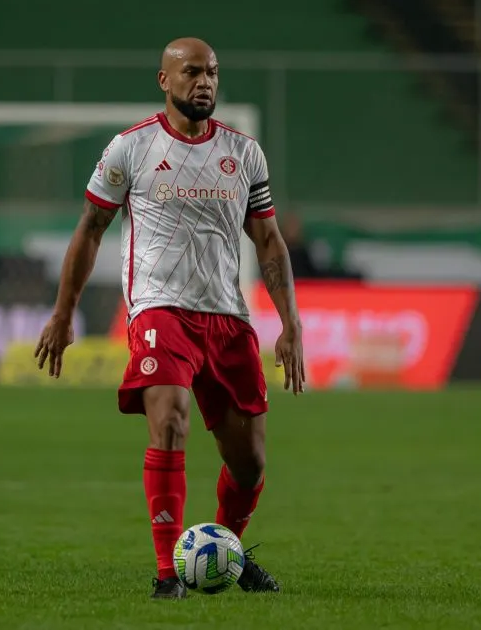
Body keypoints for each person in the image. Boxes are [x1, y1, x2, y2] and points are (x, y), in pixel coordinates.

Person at [34, 37, 306, 599]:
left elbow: (270, 241)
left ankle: (223, 553)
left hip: (227, 317)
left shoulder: (244, 153)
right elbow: (90, 230)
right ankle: (167, 573)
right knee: (170, 421)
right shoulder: (130, 149)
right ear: (165, 80)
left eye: (211, 73)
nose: (203, 82)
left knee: (250, 463)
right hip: (159, 309)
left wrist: (290, 323)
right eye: (191, 72)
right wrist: (62, 314)